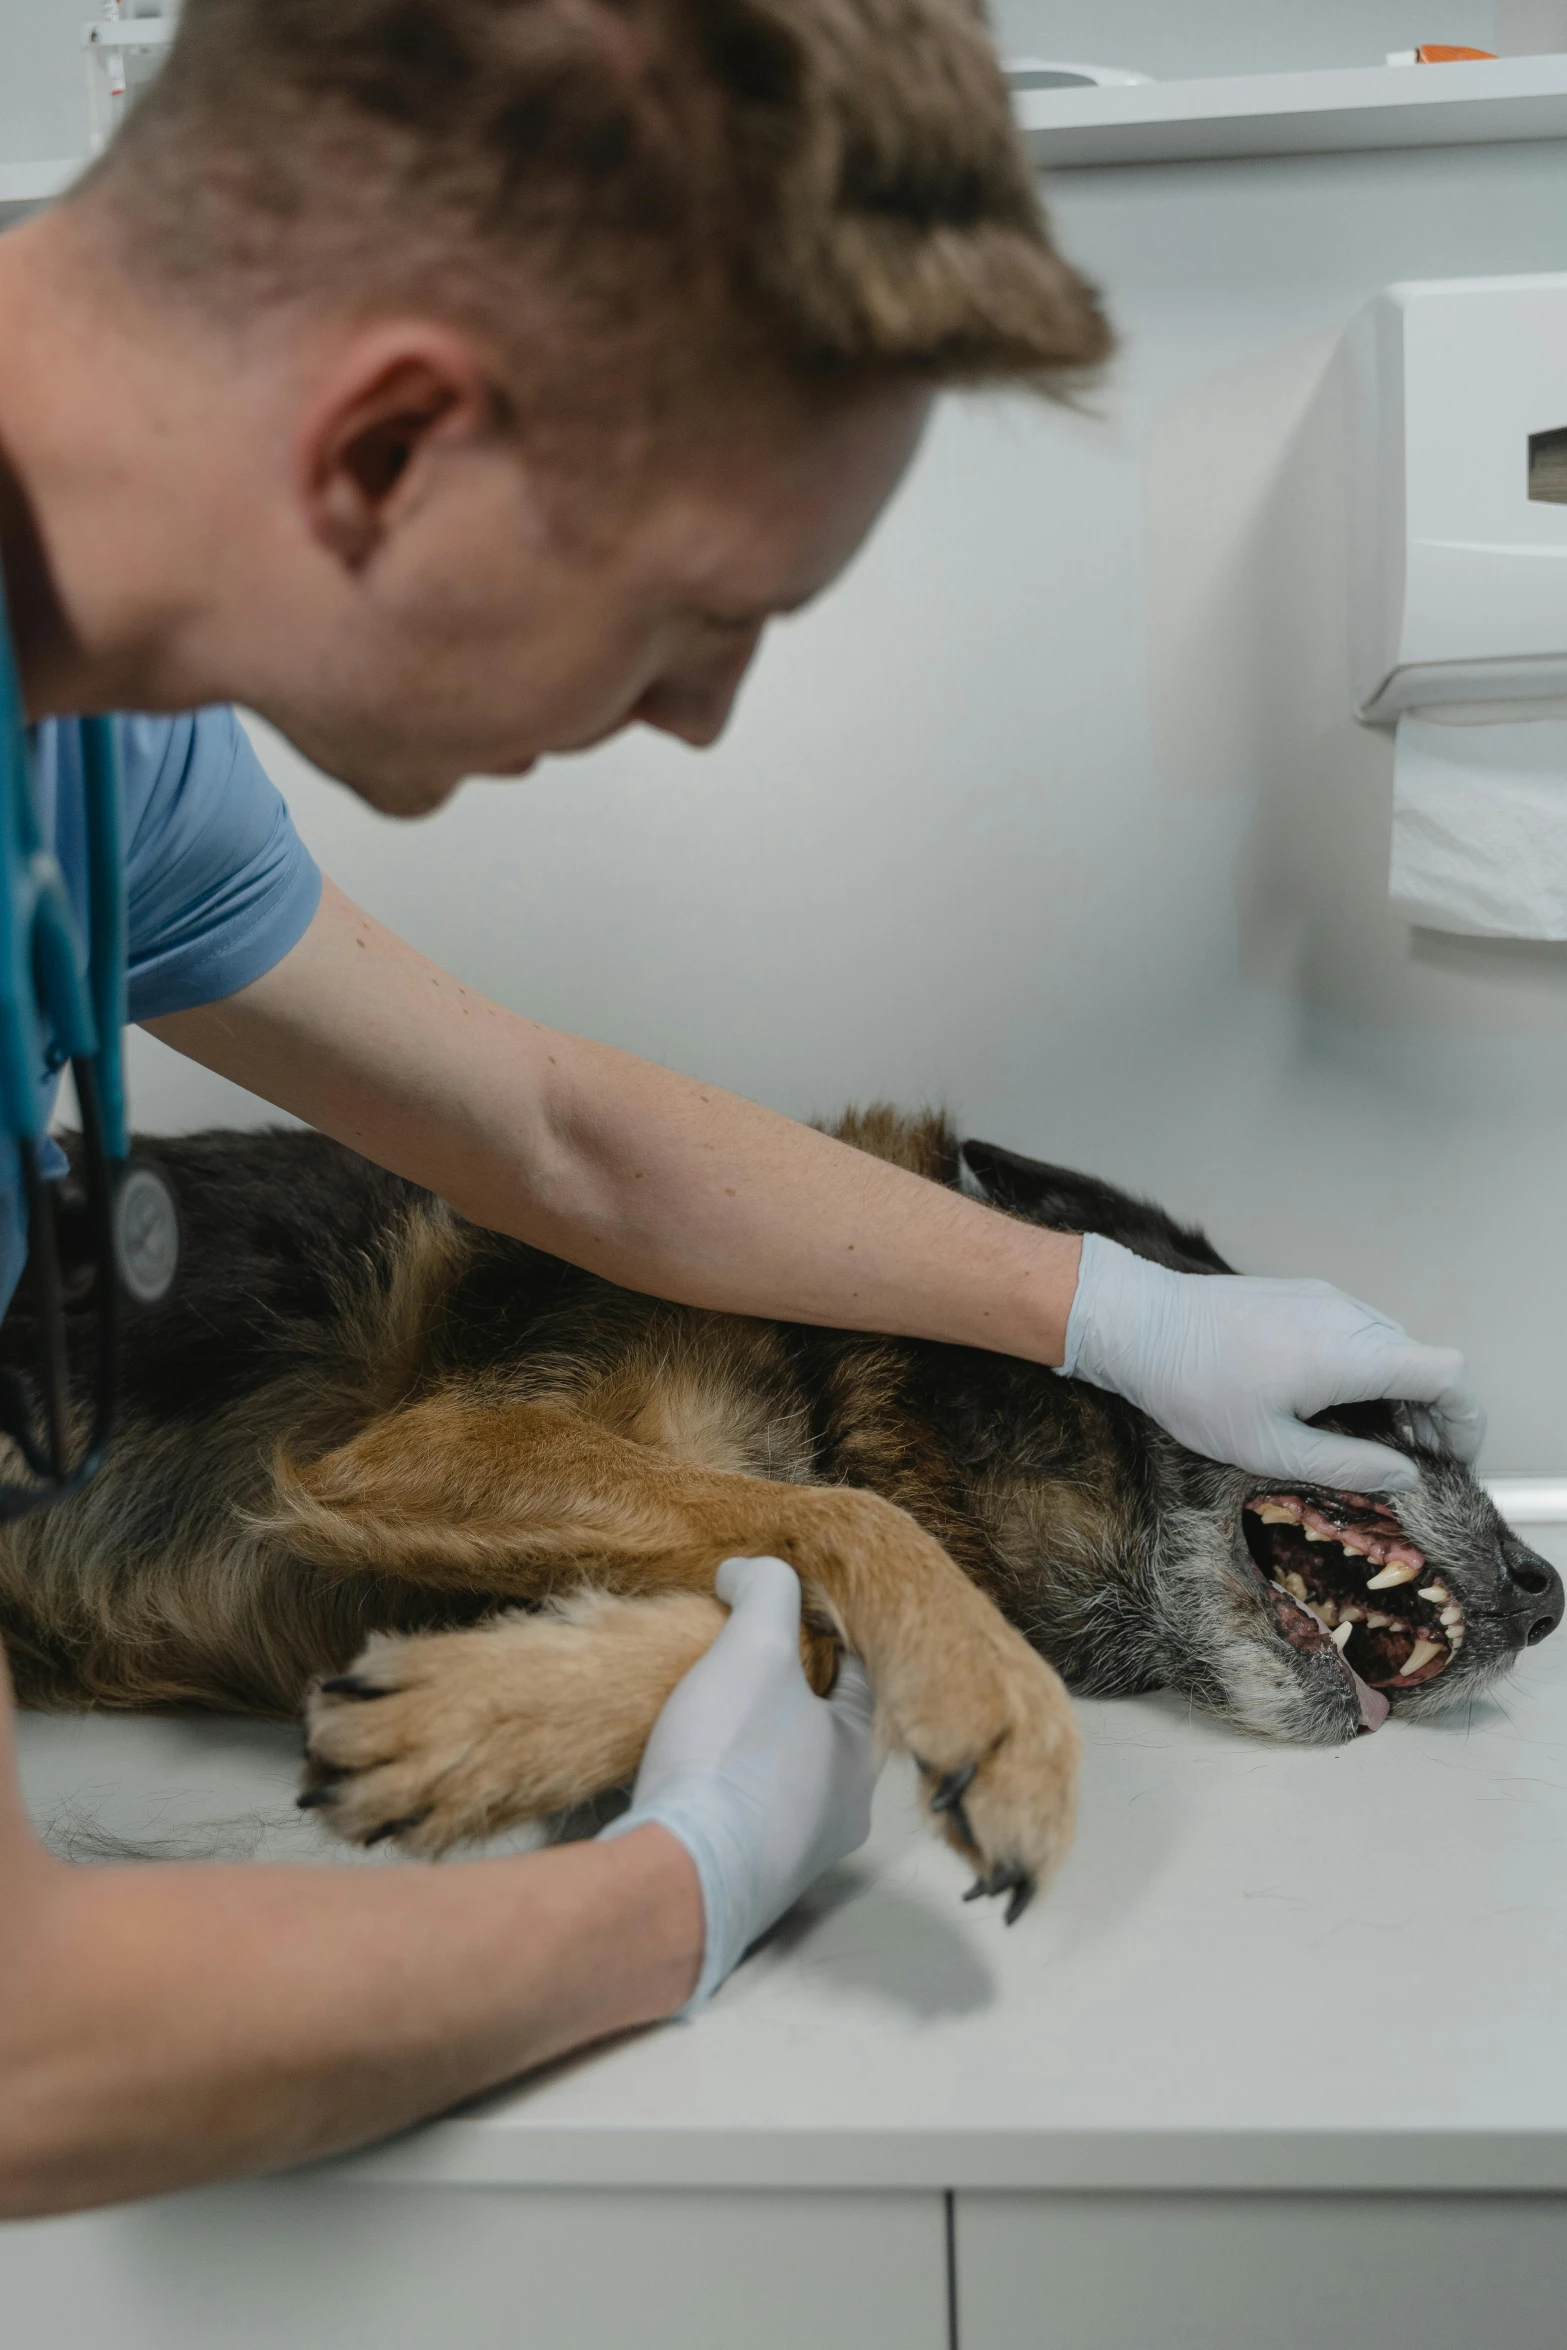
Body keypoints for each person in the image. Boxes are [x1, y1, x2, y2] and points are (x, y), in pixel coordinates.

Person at [0, 0, 1483, 2219]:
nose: (701, 715)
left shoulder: (112, 737)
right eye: (705, 608)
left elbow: (548, 1128)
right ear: (392, 444)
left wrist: (1101, 1307)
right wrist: (683, 1895)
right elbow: (33, 2054)